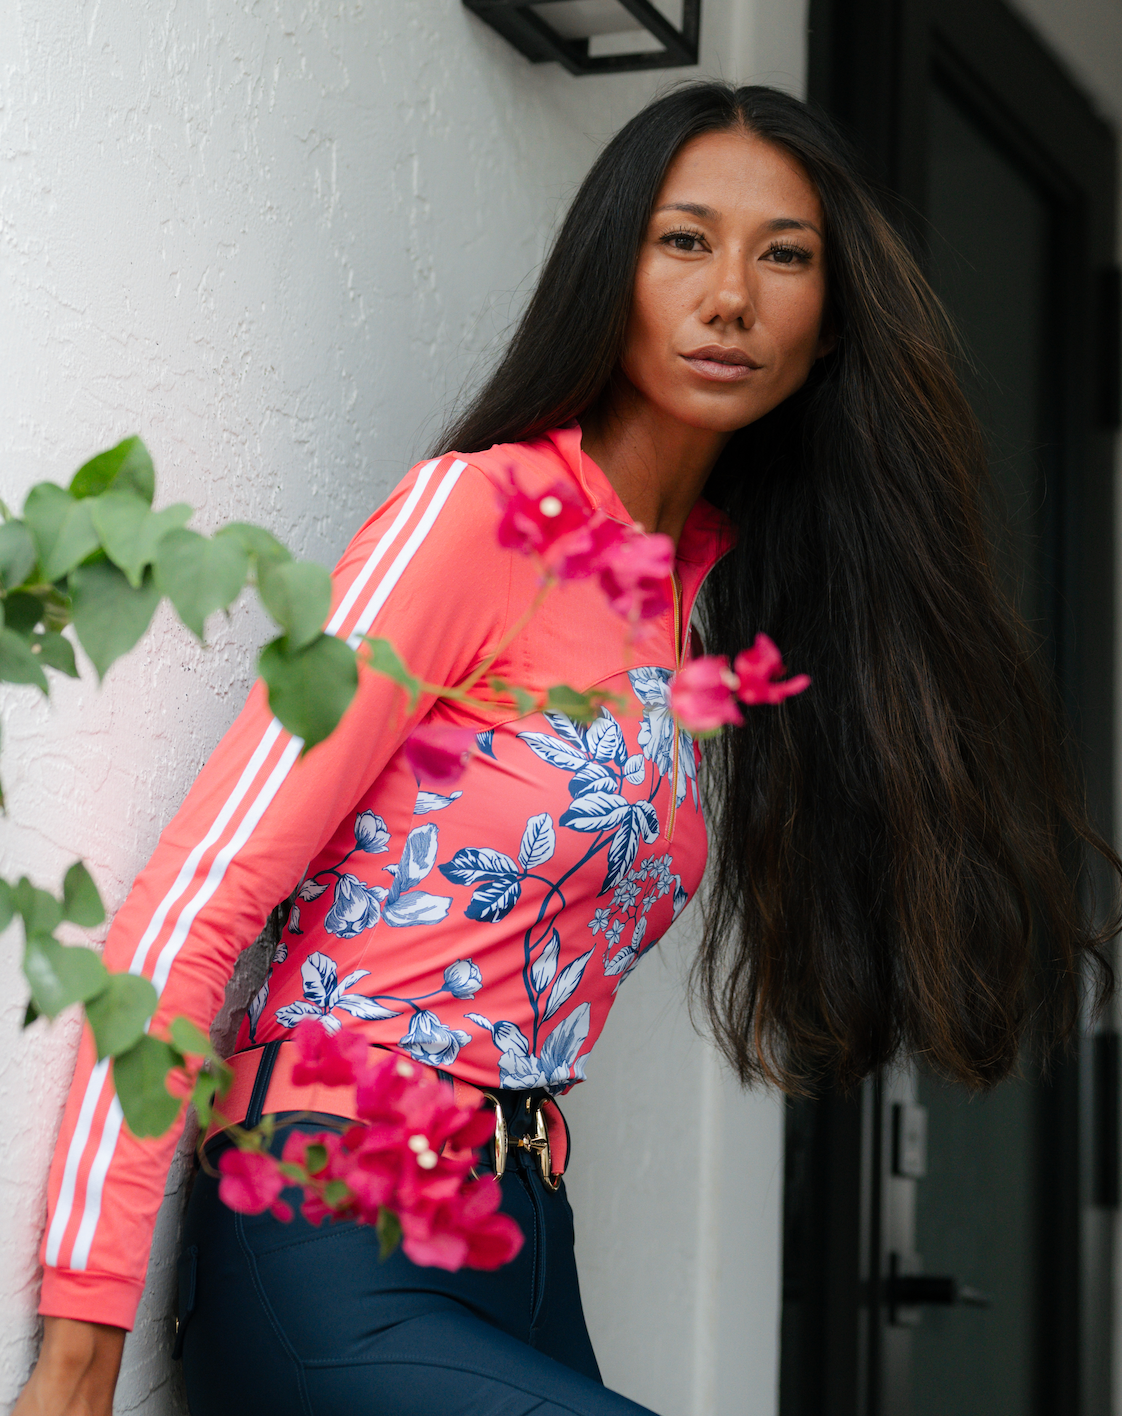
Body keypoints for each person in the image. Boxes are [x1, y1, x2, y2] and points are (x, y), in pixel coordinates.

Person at [15, 82, 1119, 1416]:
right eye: (683, 241)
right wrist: (82, 1342)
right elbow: (203, 895)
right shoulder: (476, 518)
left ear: (829, 324)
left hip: (526, 1240)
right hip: (331, 1221)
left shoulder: (689, 602)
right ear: (610, 271)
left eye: (783, 257)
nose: (730, 297)